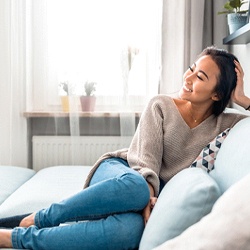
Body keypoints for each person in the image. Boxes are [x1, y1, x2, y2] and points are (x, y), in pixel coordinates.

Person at [0, 46, 249, 249]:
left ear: (217, 95)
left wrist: (242, 99)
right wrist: (149, 196)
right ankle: (39, 218)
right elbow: (144, 162)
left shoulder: (226, 123)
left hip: (145, 194)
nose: (188, 78)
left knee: (128, 234)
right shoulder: (161, 105)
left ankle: (15, 239)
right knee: (136, 187)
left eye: (201, 77)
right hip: (123, 173)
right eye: (191, 70)